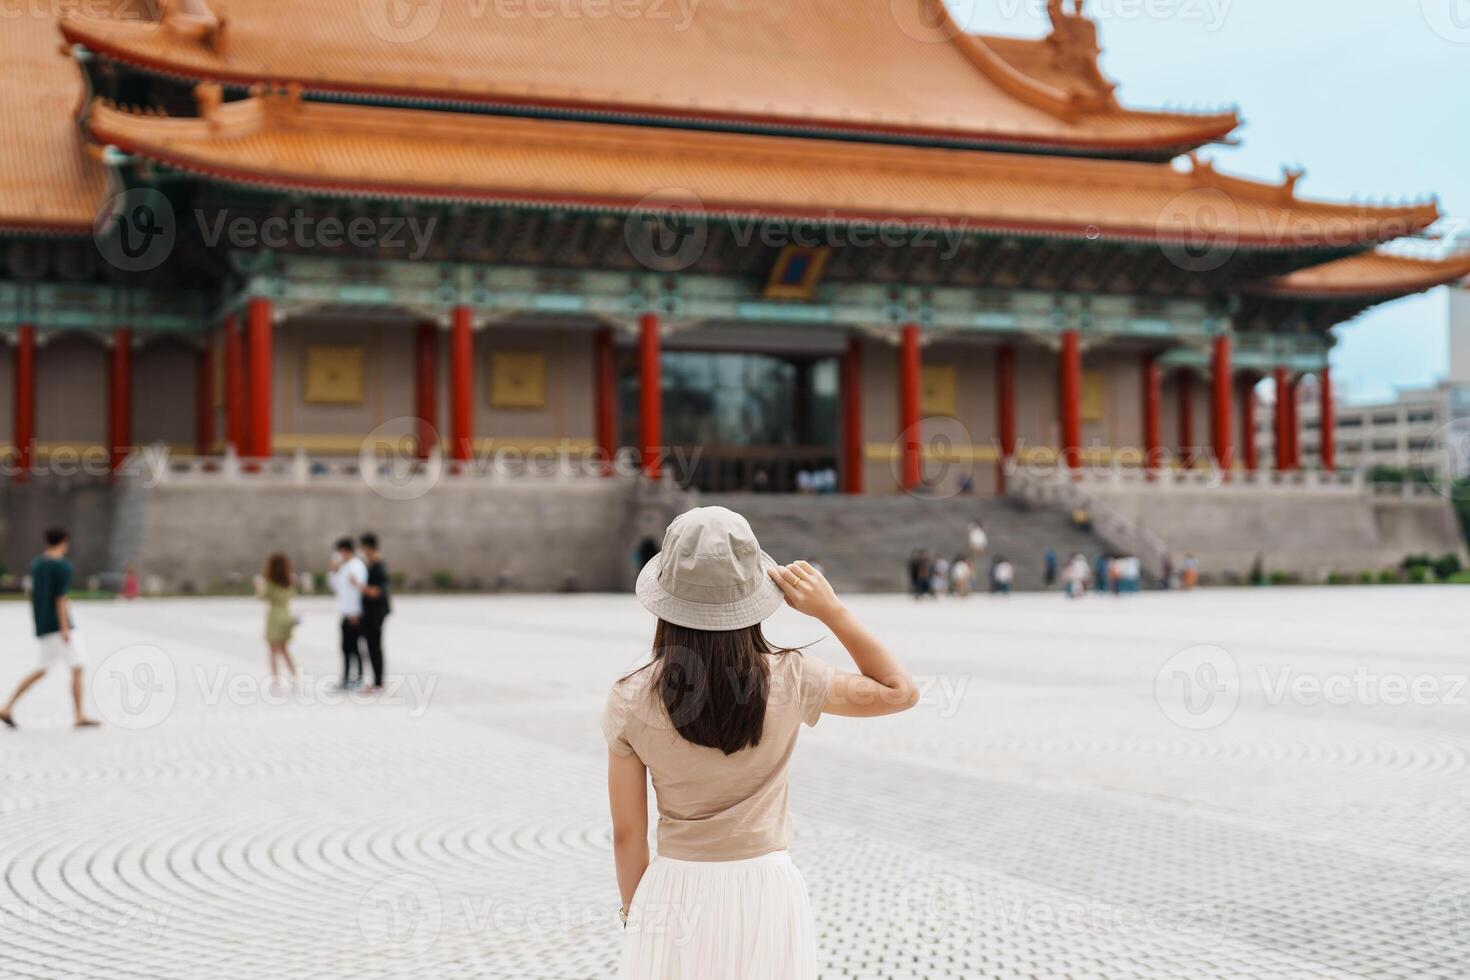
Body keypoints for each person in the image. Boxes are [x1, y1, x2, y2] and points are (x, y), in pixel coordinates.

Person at [604, 507, 918, 979]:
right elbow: (900, 692)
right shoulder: (792, 677)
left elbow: (628, 834)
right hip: (766, 890)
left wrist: (635, 915)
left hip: (674, 890)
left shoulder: (631, 696)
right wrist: (832, 611)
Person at [0, 528, 99, 730]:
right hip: (60, 627)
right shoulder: (63, 566)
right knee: (78, 667)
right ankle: (79, 715)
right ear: (64, 541)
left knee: (42, 669)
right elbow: (60, 598)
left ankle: (7, 707)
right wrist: (65, 627)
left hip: (43, 625)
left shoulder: (37, 564)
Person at [328, 538, 368, 690]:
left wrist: (354, 612)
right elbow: (336, 587)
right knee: (345, 647)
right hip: (345, 612)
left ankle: (358, 677)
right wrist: (333, 570)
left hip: (354, 614)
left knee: (355, 647)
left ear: (345, 551)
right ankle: (345, 677)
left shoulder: (357, 566)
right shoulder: (344, 567)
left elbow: (357, 591)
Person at [257, 553, 299, 685]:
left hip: (274, 617)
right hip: (286, 616)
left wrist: (259, 584)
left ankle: (275, 679)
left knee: (273, 651)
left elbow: (261, 597)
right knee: (285, 650)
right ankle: (294, 675)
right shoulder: (290, 581)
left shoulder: (271, 583)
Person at [359, 533, 392, 694]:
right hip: (370, 612)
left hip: (376, 613)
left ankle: (379, 684)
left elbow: (378, 591)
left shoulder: (379, 566)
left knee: (374, 647)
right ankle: (377, 682)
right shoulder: (372, 564)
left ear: (368, 547)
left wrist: (359, 587)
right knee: (372, 647)